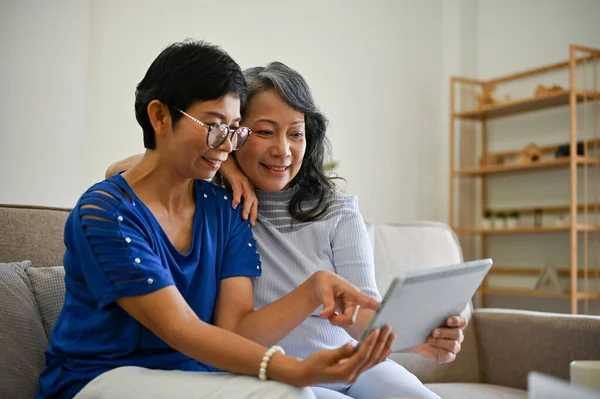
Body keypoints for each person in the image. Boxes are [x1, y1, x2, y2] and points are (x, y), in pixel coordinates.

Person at [36, 40, 395, 399]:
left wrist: (318, 291)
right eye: (215, 126)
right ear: (160, 116)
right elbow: (181, 329)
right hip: (99, 378)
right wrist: (295, 370)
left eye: (234, 130)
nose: (226, 146)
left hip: (193, 377)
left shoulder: (226, 209)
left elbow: (235, 326)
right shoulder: (104, 211)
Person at [106, 62, 468, 399]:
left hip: (350, 362)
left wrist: (416, 339)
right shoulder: (216, 201)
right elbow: (117, 174)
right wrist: (228, 167)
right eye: (265, 132)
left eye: (296, 134)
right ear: (236, 132)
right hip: (273, 374)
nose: (283, 150)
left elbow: (361, 306)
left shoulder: (337, 209)